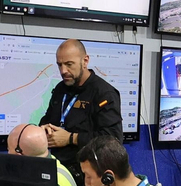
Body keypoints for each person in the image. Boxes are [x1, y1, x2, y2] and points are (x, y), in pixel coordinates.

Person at [38, 39, 123, 178]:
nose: (63, 71)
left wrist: (71, 138)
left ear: (85, 61)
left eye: (69, 64)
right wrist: (43, 129)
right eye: (59, 65)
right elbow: (47, 120)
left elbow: (113, 139)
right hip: (57, 170)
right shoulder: (61, 88)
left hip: (89, 176)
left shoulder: (104, 93)